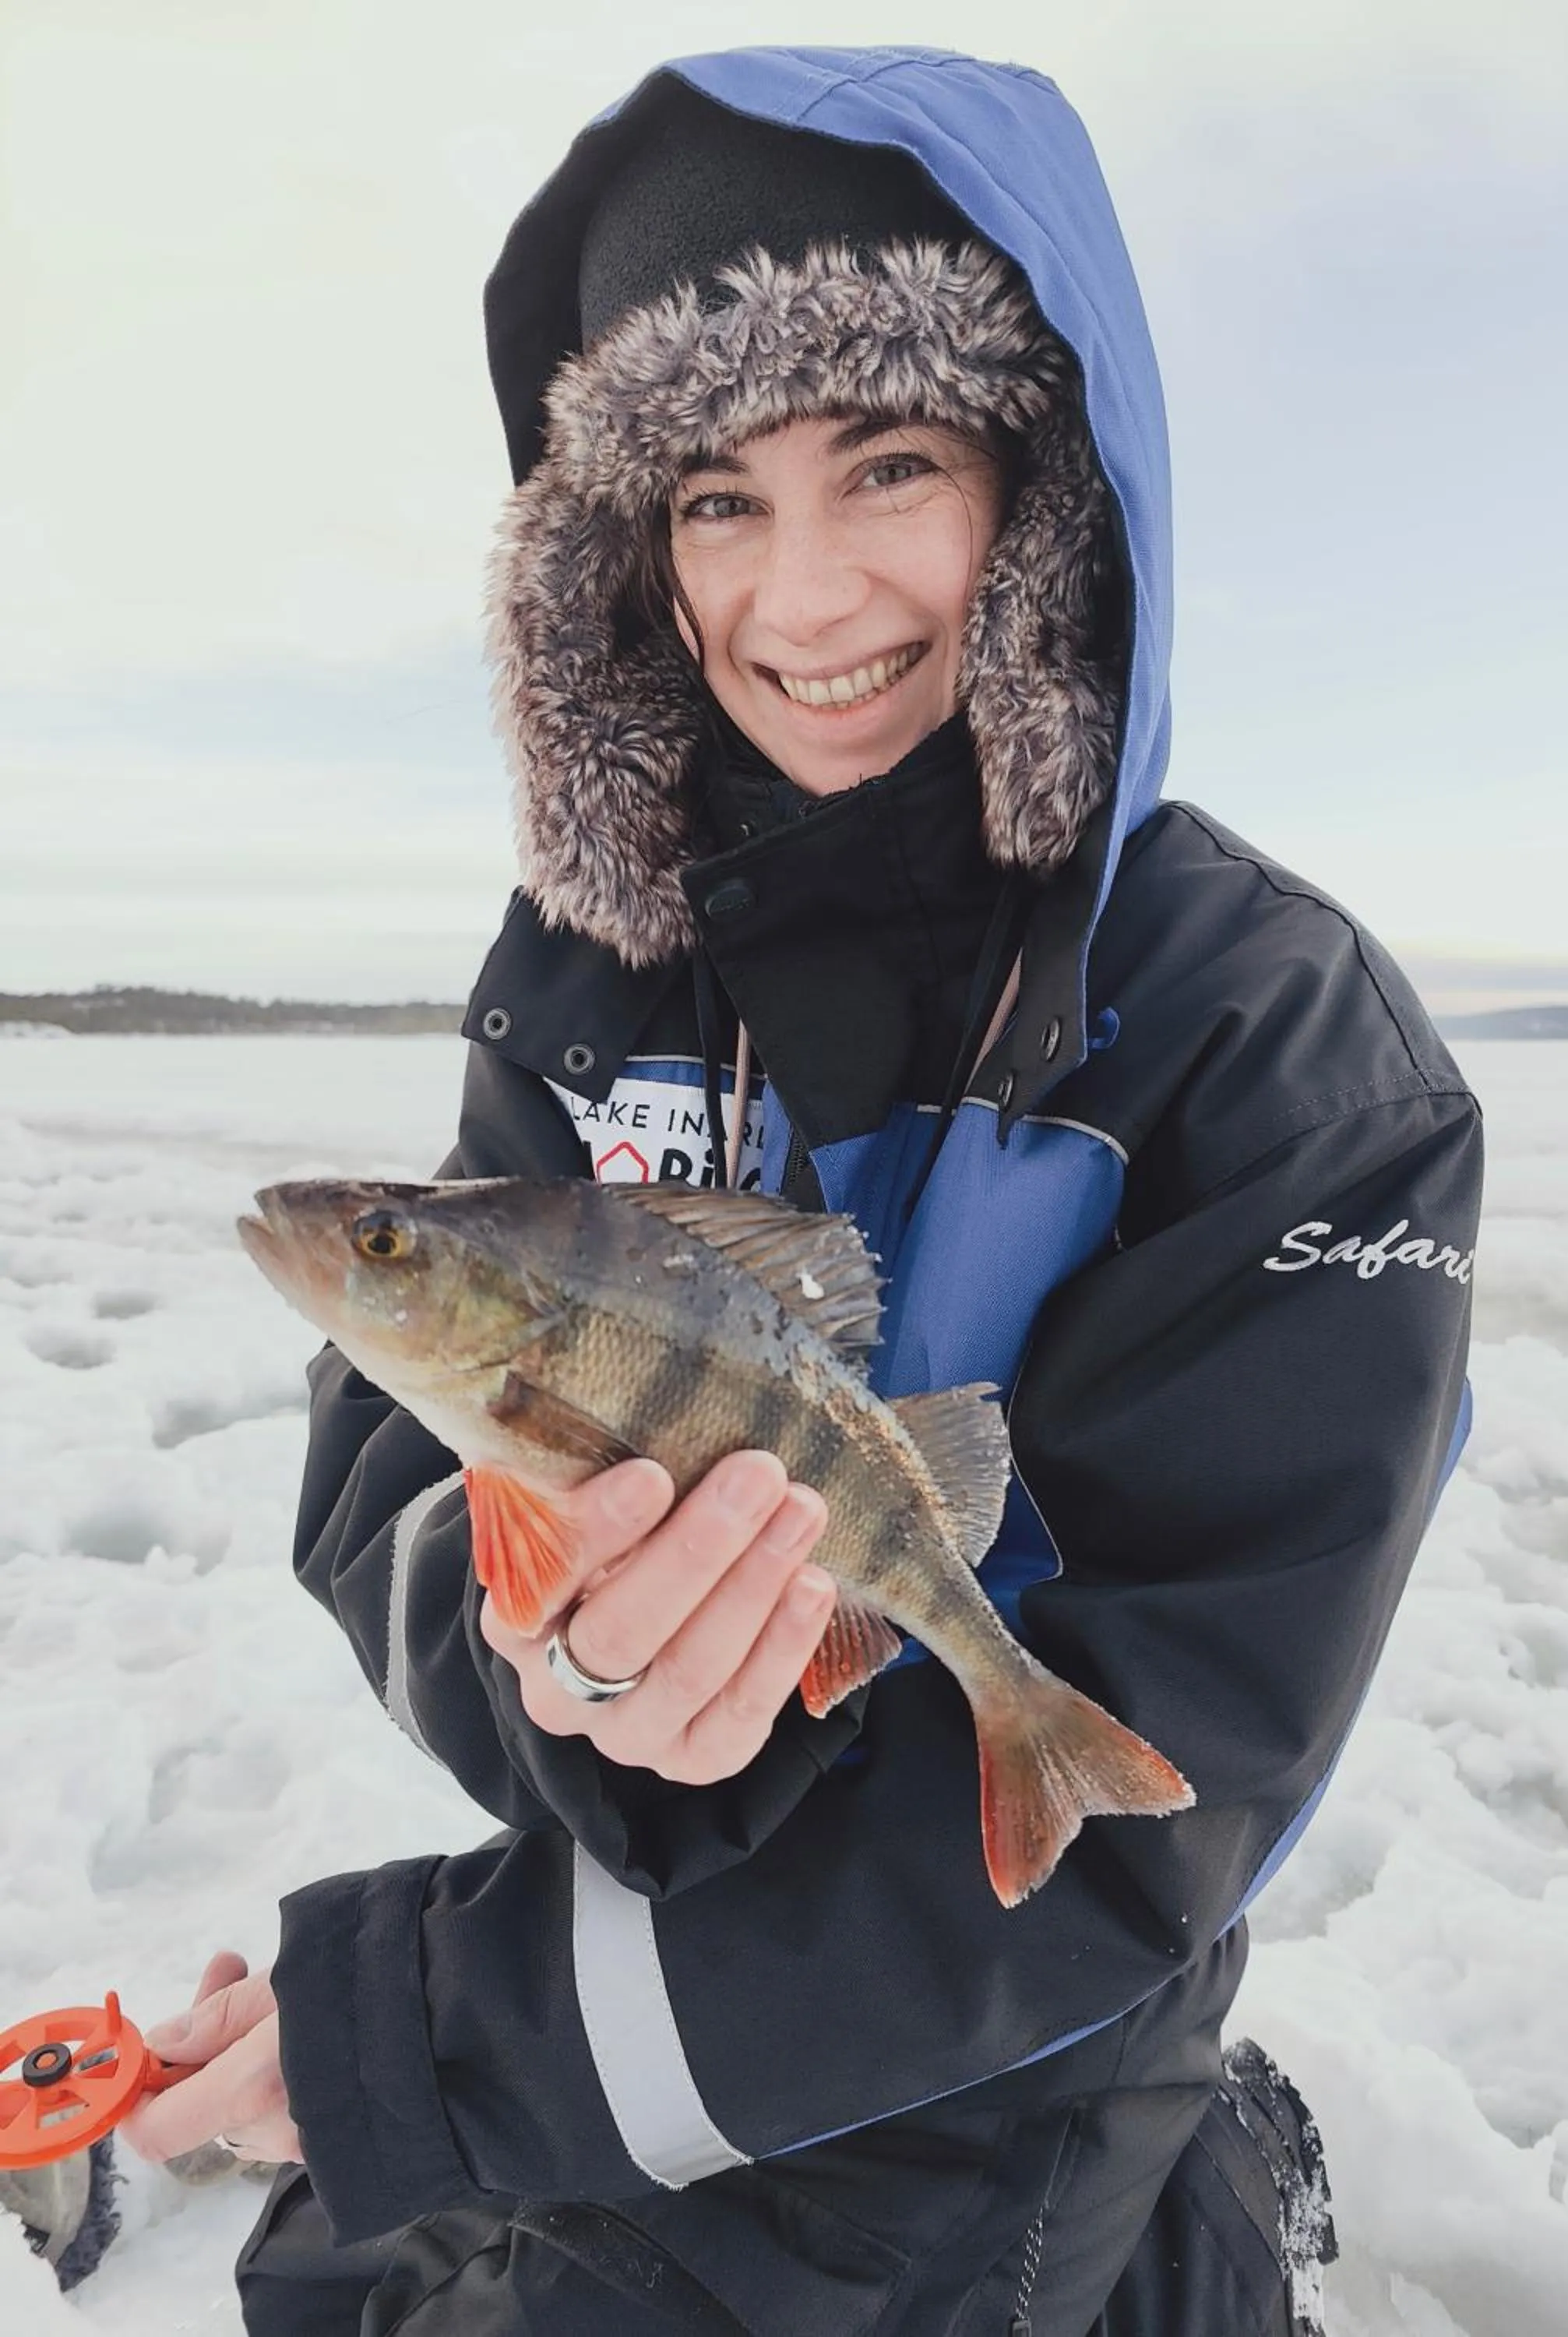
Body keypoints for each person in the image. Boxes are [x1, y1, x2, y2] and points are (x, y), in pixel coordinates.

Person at [122, 45, 1482, 2335]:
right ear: (625, 553)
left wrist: (414, 2037)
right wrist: (552, 1649)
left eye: (891, 463)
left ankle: (1184, 2188)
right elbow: (396, 1441)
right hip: (650, 1914)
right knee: (332, 2275)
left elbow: (1151, 1798)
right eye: (715, 498)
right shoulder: (582, 962)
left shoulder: (1288, 1055)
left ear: (1040, 493)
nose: (805, 588)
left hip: (1011, 2009)